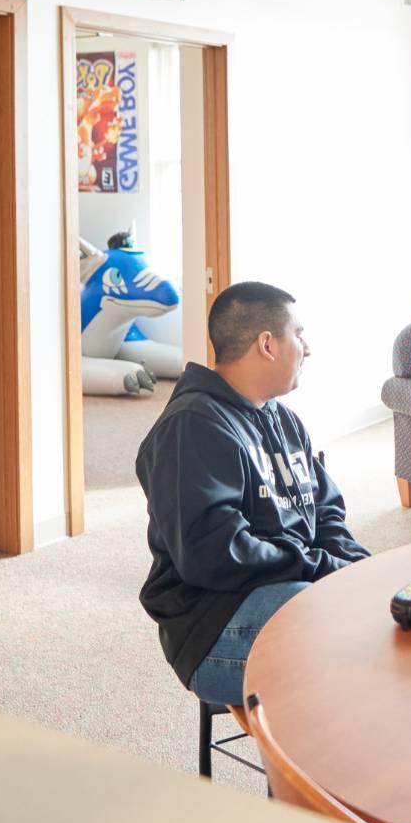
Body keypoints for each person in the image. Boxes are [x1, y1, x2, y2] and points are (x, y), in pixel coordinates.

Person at [137, 281, 368, 706]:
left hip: (285, 589)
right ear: (267, 344)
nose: (307, 347)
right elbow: (216, 553)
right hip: (213, 622)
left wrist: (357, 568)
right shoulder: (192, 427)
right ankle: (313, 771)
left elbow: (326, 512)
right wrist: (322, 570)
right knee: (348, 638)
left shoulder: (285, 418)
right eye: (298, 334)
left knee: (386, 611)